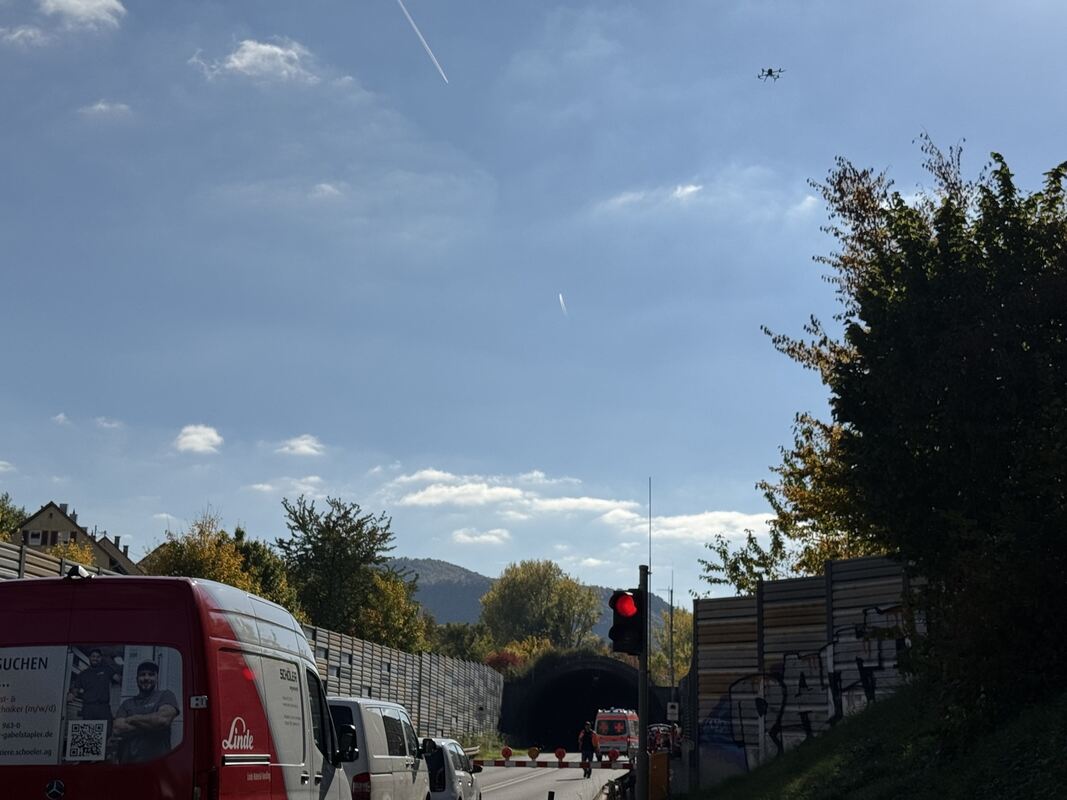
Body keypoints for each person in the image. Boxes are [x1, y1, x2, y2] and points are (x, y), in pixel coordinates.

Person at [112, 661, 179, 764]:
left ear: (156, 678)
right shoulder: (127, 703)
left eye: (151, 674)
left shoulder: (165, 695)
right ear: (137, 679)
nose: (146, 678)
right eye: (142, 675)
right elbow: (117, 728)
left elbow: (162, 720)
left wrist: (132, 719)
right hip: (129, 764)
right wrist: (152, 724)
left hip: (158, 765)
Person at [68, 648, 120, 724]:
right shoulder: (83, 674)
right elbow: (76, 689)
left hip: (103, 708)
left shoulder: (107, 670)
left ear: (101, 658)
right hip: (88, 709)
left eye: (98, 657)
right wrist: (71, 694)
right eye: (93, 656)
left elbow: (119, 679)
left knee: (106, 733)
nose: (95, 658)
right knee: (88, 734)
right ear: (89, 657)